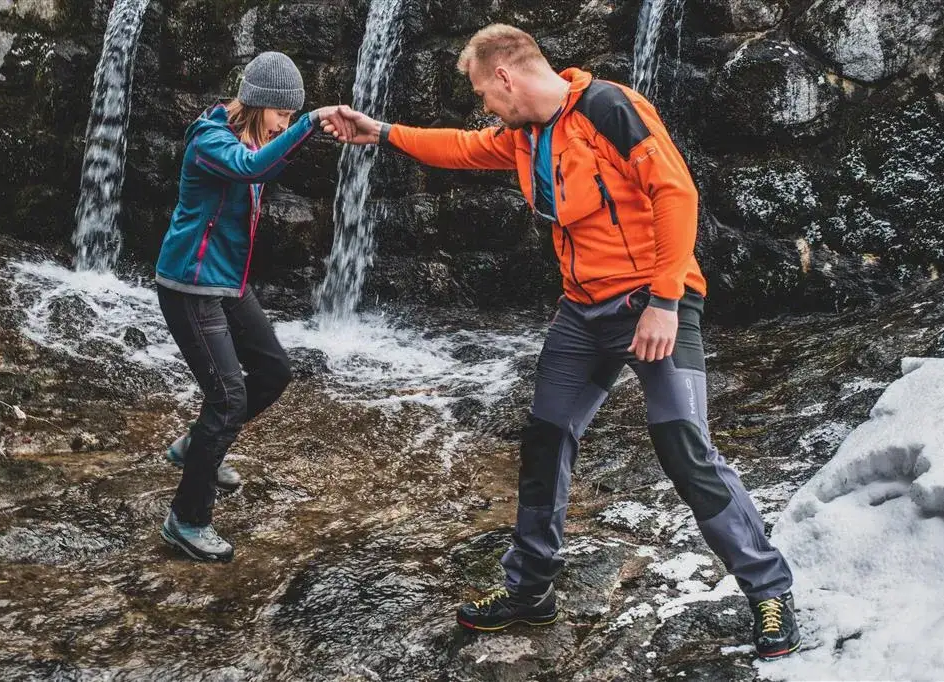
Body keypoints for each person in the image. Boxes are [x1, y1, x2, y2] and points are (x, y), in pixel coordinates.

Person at [324, 24, 801, 658]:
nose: (484, 108)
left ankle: (768, 590)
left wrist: (663, 301)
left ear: (505, 76)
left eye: (483, 92)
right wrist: (379, 131)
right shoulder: (528, 136)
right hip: (582, 313)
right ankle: (531, 590)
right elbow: (462, 148)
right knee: (547, 439)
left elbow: (676, 192)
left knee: (684, 446)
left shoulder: (609, 108)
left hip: (652, 303)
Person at [155, 51, 352, 563]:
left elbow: (262, 159)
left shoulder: (254, 136)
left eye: (291, 117)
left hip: (229, 283)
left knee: (273, 370)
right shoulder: (211, 139)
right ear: (261, 103)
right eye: (283, 114)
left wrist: (311, 126)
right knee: (227, 398)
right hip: (190, 285)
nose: (285, 123)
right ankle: (187, 520)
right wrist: (308, 124)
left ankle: (196, 447)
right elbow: (249, 168)